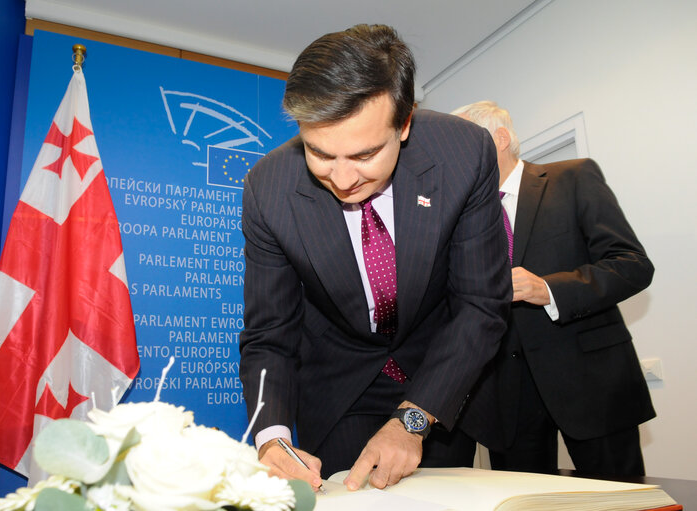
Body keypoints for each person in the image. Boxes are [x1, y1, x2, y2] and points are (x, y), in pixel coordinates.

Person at [238, 25, 511, 492]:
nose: (342, 179)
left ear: (404, 124)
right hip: (338, 385)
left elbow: (480, 304)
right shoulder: (269, 188)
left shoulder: (463, 154)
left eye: (364, 154)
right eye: (320, 154)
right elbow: (270, 334)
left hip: (441, 375)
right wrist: (271, 437)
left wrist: (412, 421)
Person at [451, 100, 655, 476]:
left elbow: (632, 265)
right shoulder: (463, 220)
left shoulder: (573, 177)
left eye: (459, 143)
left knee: (620, 500)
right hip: (506, 401)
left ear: (499, 138)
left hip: (592, 384)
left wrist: (549, 289)